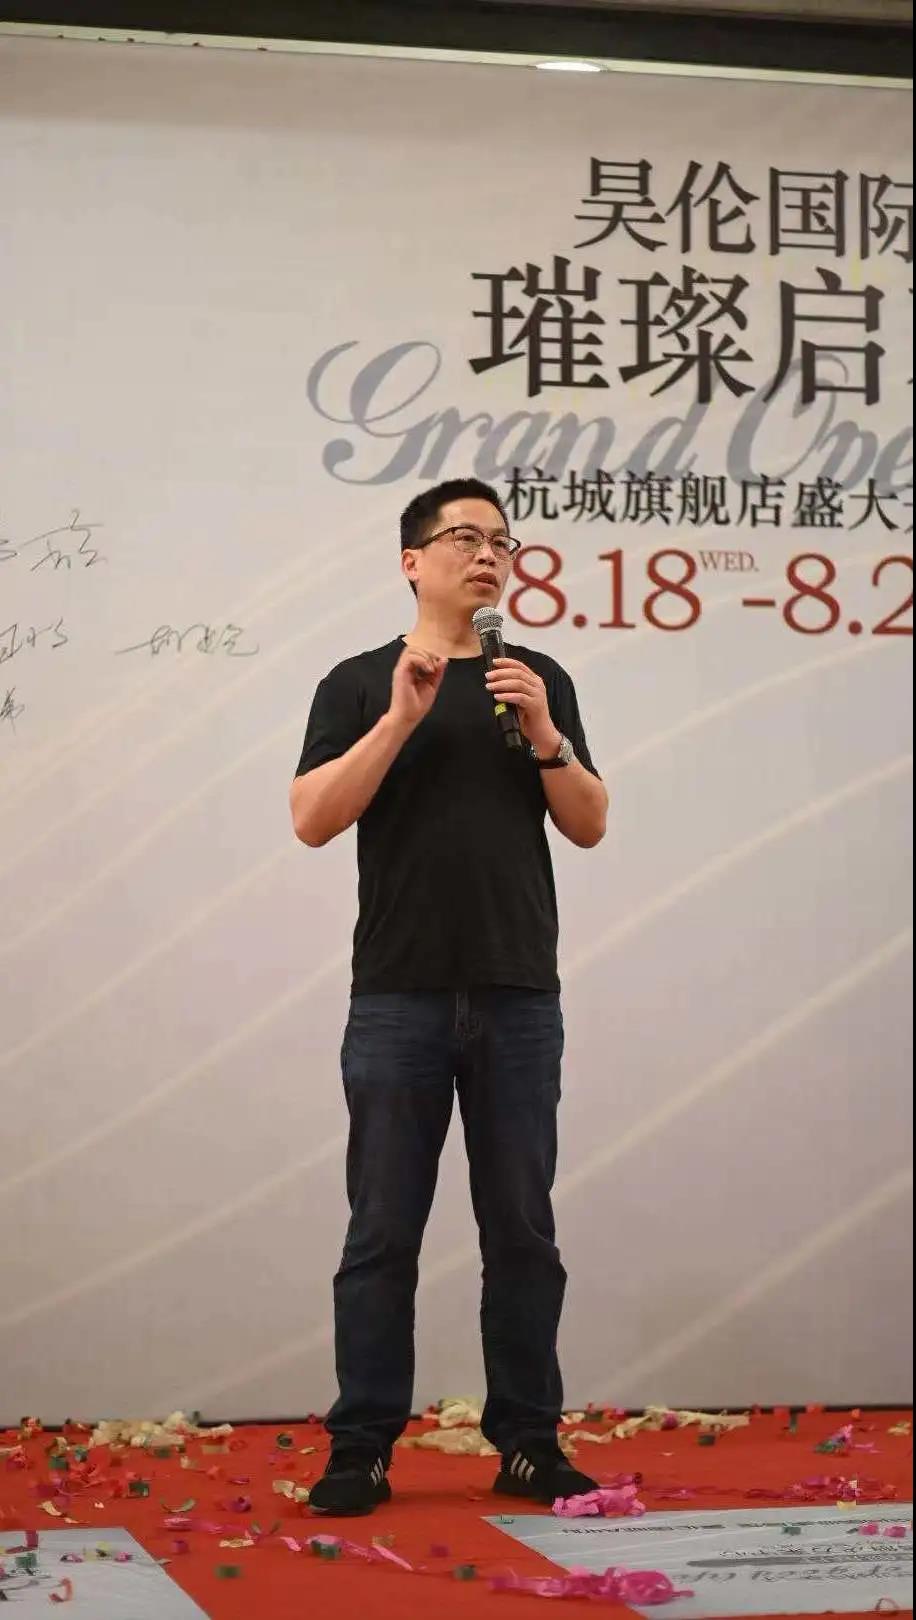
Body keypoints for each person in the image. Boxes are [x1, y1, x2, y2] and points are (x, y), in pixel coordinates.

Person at [290, 477, 609, 1517]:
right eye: (464, 537)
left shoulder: (535, 679)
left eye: (501, 542)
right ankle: (361, 1449)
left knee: (522, 1232)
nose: (487, 555)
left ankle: (528, 1442)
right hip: (399, 995)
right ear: (411, 560)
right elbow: (312, 818)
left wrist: (546, 731)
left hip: (518, 994)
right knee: (382, 1234)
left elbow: (590, 822)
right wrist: (399, 719)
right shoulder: (358, 681)